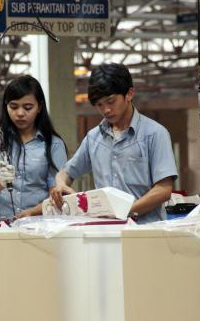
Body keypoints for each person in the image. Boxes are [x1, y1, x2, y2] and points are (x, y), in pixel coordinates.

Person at [50, 63, 178, 224]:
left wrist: (124, 211)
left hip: (145, 232)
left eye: (110, 101)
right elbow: (65, 173)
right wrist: (61, 185)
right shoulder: (93, 138)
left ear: (129, 94)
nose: (106, 110)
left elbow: (163, 190)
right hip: (105, 231)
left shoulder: (154, 134)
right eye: (99, 105)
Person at [0, 75, 68, 221]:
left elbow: (56, 195)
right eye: (13, 106)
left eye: (28, 107)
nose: (20, 113)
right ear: (6, 106)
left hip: (38, 226)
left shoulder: (53, 144)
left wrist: (33, 212)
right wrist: (0, 182)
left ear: (39, 107)